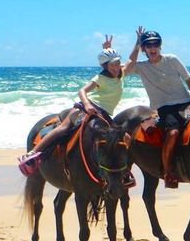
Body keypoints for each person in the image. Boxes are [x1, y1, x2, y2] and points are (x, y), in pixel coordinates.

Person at [18, 35, 133, 176]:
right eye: (112, 65)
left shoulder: (120, 75)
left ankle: (122, 171)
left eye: (117, 64)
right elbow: (82, 90)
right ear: (105, 66)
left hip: (104, 113)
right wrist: (86, 104)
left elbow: (131, 61)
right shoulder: (100, 78)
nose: (116, 67)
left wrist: (137, 45)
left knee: (124, 138)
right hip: (88, 107)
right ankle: (32, 154)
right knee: (64, 128)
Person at [124, 26, 190, 188]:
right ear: (144, 49)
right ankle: (168, 172)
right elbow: (126, 69)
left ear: (160, 46)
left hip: (187, 102)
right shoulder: (142, 67)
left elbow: (189, 79)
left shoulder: (172, 59)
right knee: (173, 133)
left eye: (155, 45)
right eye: (148, 45)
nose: (152, 48)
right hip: (165, 108)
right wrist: (137, 44)